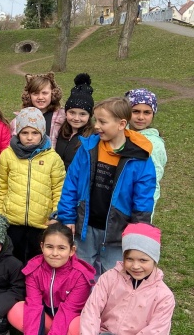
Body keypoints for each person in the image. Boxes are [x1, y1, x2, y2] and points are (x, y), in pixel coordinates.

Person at [57, 97, 156, 275]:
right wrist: (67, 217)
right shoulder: (87, 148)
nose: (96, 126)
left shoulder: (140, 158)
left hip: (118, 232)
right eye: (96, 120)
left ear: (121, 124)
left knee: (115, 276)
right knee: (80, 274)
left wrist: (137, 232)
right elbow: (71, 183)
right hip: (84, 228)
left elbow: (143, 200)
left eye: (102, 122)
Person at [7, 223, 95, 335]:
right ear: (42, 246)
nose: (55, 253)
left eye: (61, 248)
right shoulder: (34, 268)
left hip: (69, 323)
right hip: (48, 320)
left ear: (72, 250)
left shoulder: (80, 275)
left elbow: (65, 316)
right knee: (16, 310)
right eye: (49, 247)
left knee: (77, 329)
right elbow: (34, 310)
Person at [0, 107, 66, 265]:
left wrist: (55, 215)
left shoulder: (52, 158)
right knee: (13, 260)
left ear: (42, 133)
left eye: (34, 133)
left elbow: (58, 189)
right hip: (13, 221)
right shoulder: (7, 155)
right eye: (24, 133)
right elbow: (1, 186)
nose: (29, 137)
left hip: (41, 223)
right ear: (18, 133)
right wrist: (1, 212)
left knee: (37, 262)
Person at [124, 88, 167, 214]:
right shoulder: (119, 134)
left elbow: (154, 177)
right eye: (135, 111)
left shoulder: (154, 144)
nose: (141, 117)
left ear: (153, 114)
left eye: (147, 112)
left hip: (141, 202)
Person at [10, 72, 66, 147]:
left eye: (45, 93)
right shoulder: (19, 120)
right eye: (35, 93)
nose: (40, 97)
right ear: (28, 95)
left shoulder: (62, 117)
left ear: (53, 94)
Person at [55, 73, 96, 169]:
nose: (76, 118)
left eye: (82, 114)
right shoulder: (59, 130)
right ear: (66, 113)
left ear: (89, 116)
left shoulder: (93, 138)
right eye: (72, 113)